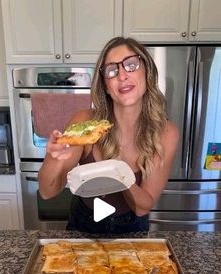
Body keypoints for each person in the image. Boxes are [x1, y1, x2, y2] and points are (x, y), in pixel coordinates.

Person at [38, 36, 179, 234]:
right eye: (112, 70)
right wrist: (53, 158)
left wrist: (115, 173)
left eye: (131, 65)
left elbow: (142, 207)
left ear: (146, 72)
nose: (122, 75)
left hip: (132, 228)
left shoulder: (166, 133)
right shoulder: (84, 123)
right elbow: (47, 191)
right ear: (105, 85)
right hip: (83, 224)